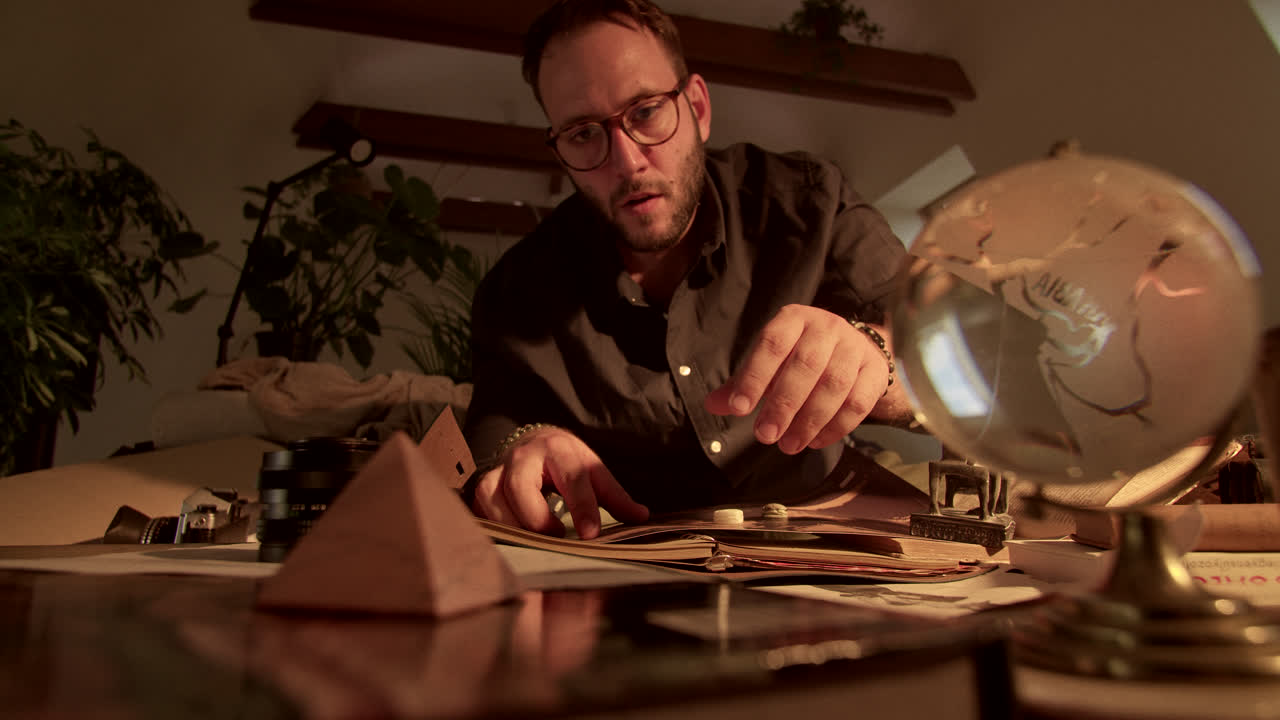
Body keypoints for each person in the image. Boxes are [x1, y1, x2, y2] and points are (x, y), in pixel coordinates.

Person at [462, 0, 913, 539]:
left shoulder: (810, 201)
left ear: (697, 108)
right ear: (561, 153)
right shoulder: (518, 289)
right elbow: (496, 421)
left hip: (830, 527)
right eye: (583, 133)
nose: (626, 162)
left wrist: (875, 359)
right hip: (641, 556)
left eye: (646, 111)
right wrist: (518, 450)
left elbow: (940, 358)